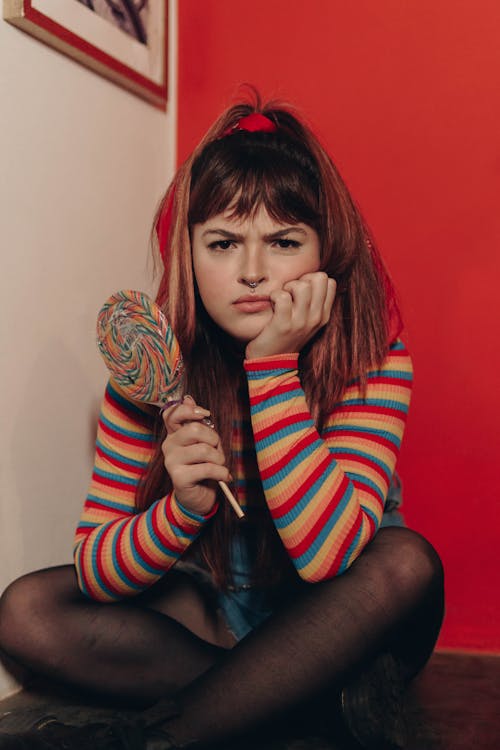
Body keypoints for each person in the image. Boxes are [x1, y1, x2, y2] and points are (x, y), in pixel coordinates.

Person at [0, 95, 444, 750]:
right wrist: (179, 509)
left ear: (325, 252)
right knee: (27, 610)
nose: (253, 271)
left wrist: (271, 366)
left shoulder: (371, 359)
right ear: (189, 251)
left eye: (284, 242)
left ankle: (170, 737)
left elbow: (326, 558)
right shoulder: (153, 368)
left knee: (406, 561)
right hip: (220, 614)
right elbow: (96, 566)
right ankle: (297, 708)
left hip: (341, 622)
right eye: (224, 242)